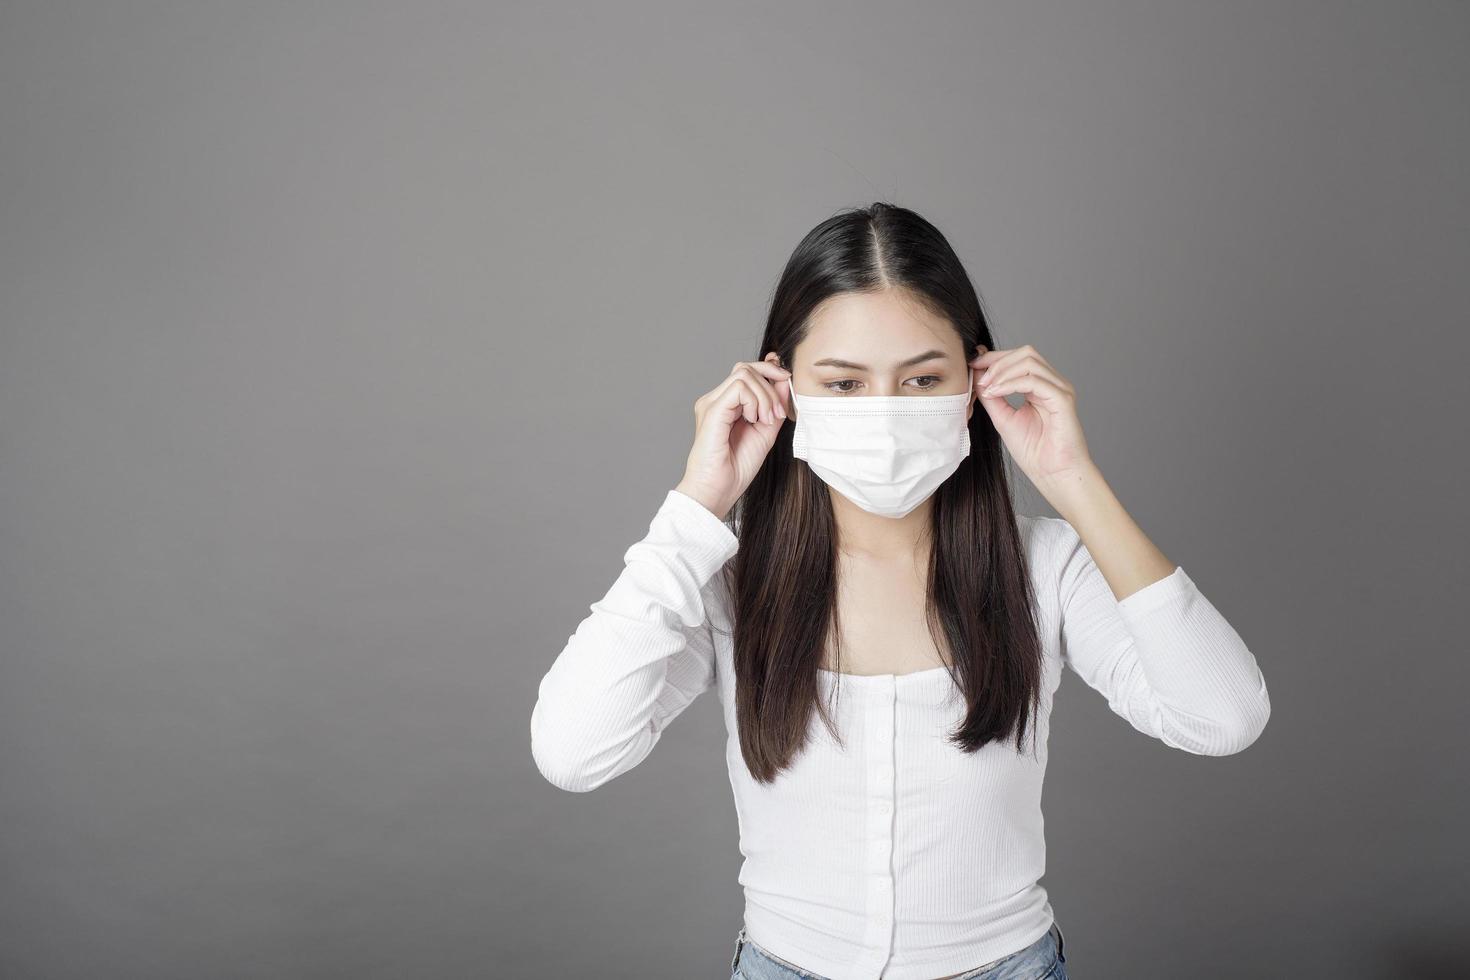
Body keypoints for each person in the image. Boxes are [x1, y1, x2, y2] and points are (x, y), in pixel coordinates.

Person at [529, 202, 1271, 980]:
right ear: (782, 387)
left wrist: (1070, 478)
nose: (884, 412)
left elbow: (1223, 717)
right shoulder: (725, 577)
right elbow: (575, 753)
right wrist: (696, 505)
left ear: (974, 380)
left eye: (921, 379)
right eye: (844, 384)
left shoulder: (1043, 566)